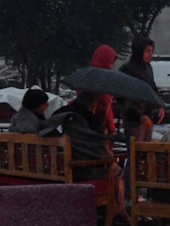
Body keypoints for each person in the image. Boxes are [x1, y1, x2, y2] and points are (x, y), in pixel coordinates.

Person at [50, 91, 128, 222]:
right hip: (77, 169)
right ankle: (116, 212)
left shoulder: (60, 113)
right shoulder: (85, 119)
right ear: (92, 105)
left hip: (55, 166)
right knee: (115, 170)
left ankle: (116, 209)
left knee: (111, 167)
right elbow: (93, 148)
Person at [119, 35, 165, 203]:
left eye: (152, 51)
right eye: (147, 51)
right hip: (134, 119)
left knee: (144, 156)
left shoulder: (148, 69)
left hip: (147, 117)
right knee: (134, 156)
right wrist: (140, 116)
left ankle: (140, 189)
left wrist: (159, 105)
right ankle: (129, 193)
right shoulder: (127, 70)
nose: (150, 54)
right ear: (139, 51)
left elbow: (152, 89)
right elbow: (124, 99)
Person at [89, 44, 119, 135]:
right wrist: (111, 129)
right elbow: (105, 107)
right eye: (110, 63)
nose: (111, 67)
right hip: (99, 129)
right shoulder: (102, 82)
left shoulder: (88, 76)